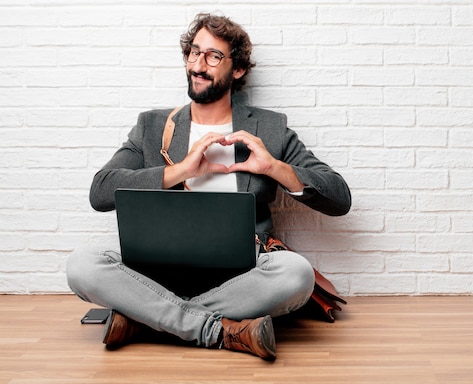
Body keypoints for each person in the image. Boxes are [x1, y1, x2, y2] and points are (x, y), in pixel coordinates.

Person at [66, 13, 351, 361]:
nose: (199, 65)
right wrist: (179, 171)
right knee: (81, 265)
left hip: (240, 279)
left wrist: (275, 168)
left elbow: (339, 196)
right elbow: (101, 191)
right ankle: (218, 330)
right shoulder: (152, 126)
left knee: (296, 274)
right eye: (194, 53)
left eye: (214, 56)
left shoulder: (270, 129)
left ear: (238, 69)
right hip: (155, 275)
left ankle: (145, 319)